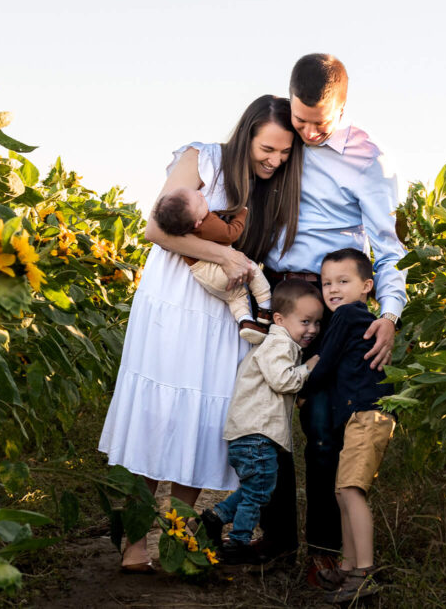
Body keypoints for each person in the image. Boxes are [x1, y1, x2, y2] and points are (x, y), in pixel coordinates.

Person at [98, 94, 304, 572]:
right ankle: (133, 546)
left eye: (284, 153)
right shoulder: (201, 158)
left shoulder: (271, 191)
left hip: (222, 313)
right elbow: (155, 229)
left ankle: (177, 542)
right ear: (247, 134)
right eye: (267, 149)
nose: (274, 160)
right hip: (174, 301)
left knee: (203, 422)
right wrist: (227, 257)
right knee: (156, 415)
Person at [257, 54, 407, 581]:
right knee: (263, 423)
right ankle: (273, 546)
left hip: (331, 303)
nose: (309, 132)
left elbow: (388, 250)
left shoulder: (368, 159)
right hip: (275, 291)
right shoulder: (283, 135)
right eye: (301, 120)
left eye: (320, 122)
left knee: (323, 429)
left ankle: (323, 554)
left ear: (343, 105)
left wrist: (388, 313)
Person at [199, 279, 323, 564]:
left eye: (317, 323)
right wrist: (307, 369)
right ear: (279, 319)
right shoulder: (280, 344)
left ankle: (214, 519)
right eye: (305, 321)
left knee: (257, 488)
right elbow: (283, 380)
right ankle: (239, 542)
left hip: (252, 433)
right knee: (258, 493)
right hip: (257, 434)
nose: (312, 330)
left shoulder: (277, 343)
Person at [303, 248, 396, 602]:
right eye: (327, 283)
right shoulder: (353, 316)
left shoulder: (347, 316)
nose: (333, 289)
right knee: (343, 491)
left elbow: (323, 365)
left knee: (352, 491)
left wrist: (302, 388)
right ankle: (347, 566)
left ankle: (364, 572)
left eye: (344, 281)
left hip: (368, 413)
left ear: (367, 286)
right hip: (361, 414)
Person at [150, 188, 273, 343]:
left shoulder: (179, 231)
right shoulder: (207, 223)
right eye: (200, 200)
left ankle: (245, 320)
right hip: (218, 270)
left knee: (235, 297)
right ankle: (265, 309)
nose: (201, 194)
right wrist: (241, 213)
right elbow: (231, 233)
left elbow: (166, 245)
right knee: (252, 270)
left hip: (204, 278)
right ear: (197, 223)